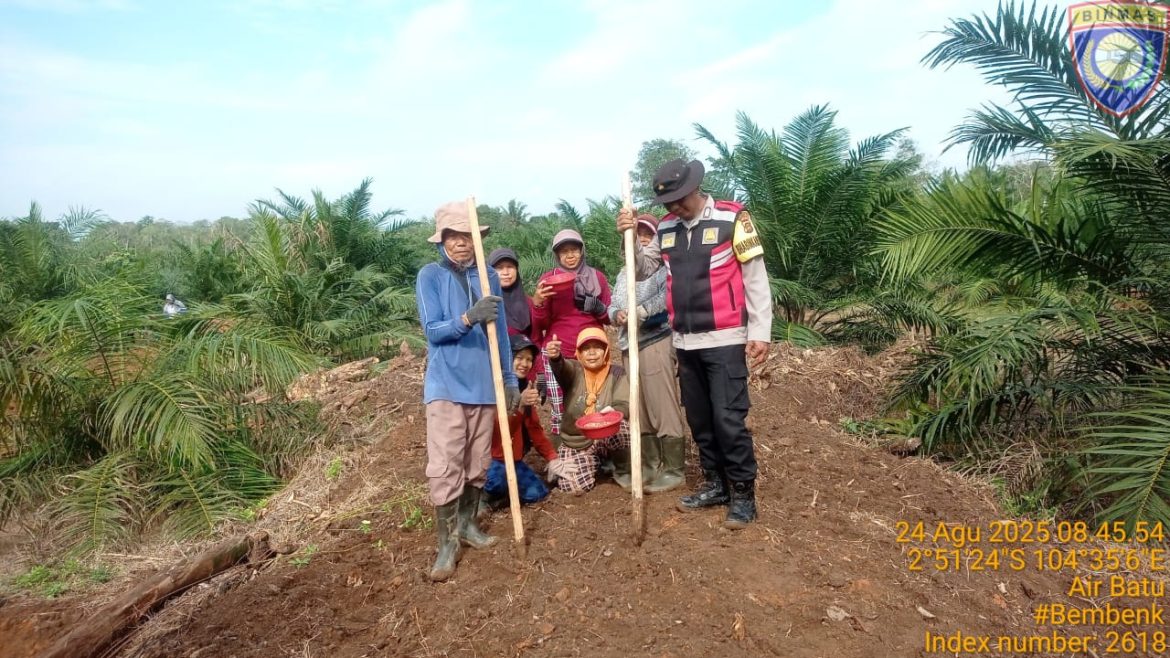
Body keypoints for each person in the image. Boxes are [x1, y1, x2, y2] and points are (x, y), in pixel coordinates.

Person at [616, 158, 773, 530]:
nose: (672, 208)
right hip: (684, 342)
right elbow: (641, 267)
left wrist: (760, 331)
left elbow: (755, 277)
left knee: (728, 419)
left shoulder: (734, 219)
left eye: (678, 199)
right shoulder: (666, 228)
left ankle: (742, 493)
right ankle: (715, 484)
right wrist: (626, 236)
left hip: (725, 337)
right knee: (700, 419)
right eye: (666, 203)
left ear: (694, 189)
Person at [416, 200, 520, 582]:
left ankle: (469, 525)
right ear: (442, 239)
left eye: (468, 236)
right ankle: (447, 544)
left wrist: (508, 380)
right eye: (455, 236)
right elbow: (433, 330)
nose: (462, 243)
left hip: (484, 384)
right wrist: (467, 318)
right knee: (446, 464)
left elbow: (503, 335)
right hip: (446, 385)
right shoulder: (430, 275)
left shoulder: (488, 276)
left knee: (477, 462)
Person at [607, 213, 688, 493]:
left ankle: (674, 468)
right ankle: (650, 465)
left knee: (662, 405)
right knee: (639, 407)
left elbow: (666, 300)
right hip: (630, 346)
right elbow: (613, 304)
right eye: (635, 234)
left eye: (646, 234)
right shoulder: (622, 274)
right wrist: (617, 314)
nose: (641, 238)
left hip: (655, 340)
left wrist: (640, 312)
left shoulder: (663, 271)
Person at [530, 229, 612, 436]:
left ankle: (594, 453)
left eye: (574, 249)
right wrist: (538, 302)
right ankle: (563, 457)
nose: (570, 255)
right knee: (561, 411)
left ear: (581, 251)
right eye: (564, 251)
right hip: (559, 350)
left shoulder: (597, 278)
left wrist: (598, 308)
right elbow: (540, 324)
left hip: (590, 351)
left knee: (592, 405)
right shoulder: (548, 280)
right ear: (557, 255)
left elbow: (609, 317)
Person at [483, 334, 579, 508]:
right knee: (496, 481)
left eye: (529, 359)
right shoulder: (493, 386)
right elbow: (498, 431)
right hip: (491, 458)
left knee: (538, 493)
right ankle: (483, 498)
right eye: (519, 358)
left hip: (513, 458)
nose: (525, 364)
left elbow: (534, 428)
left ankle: (504, 496)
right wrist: (519, 405)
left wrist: (552, 458)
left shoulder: (525, 386)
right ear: (507, 358)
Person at [546, 328, 631, 495]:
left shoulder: (617, 373)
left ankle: (623, 469)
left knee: (624, 428)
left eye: (597, 347)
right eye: (586, 348)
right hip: (578, 439)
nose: (592, 353)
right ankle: (592, 462)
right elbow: (562, 368)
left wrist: (613, 412)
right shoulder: (574, 370)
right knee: (573, 486)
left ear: (606, 350)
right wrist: (556, 358)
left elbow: (623, 403)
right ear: (579, 352)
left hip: (605, 431)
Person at [488, 248, 533, 338]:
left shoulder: (529, 303)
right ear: (490, 271)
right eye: (500, 268)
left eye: (510, 267)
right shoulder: (485, 302)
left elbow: (536, 337)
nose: (506, 273)